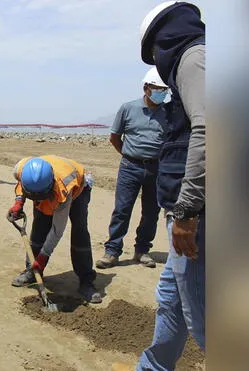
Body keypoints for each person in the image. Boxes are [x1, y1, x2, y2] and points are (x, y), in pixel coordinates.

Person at [136, 2, 206, 370]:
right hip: (189, 210)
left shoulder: (193, 58)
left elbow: (209, 131)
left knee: (205, 318)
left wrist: (187, 210)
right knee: (172, 300)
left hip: (197, 214)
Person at [96, 68, 168, 270]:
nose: (162, 93)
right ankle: (112, 252)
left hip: (156, 169)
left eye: (165, 90)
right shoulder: (128, 108)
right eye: (158, 89)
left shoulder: (168, 112)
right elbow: (114, 137)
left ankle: (142, 250)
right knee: (122, 210)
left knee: (151, 212)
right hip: (130, 167)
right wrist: (129, 155)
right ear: (146, 88)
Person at [8, 156, 102, 303]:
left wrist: (43, 257)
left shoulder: (62, 188)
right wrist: (19, 202)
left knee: (79, 231)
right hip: (43, 188)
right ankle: (31, 271)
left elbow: (57, 230)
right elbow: (21, 184)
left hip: (78, 189)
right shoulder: (21, 169)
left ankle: (86, 280)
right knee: (39, 226)